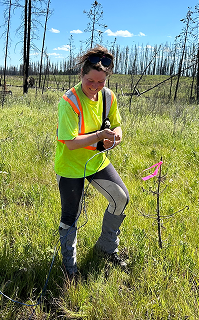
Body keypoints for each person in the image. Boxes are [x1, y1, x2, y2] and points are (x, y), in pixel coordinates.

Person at [55, 45, 129, 280]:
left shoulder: (109, 97)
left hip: (96, 161)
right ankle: (70, 267)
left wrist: (116, 136)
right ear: (81, 74)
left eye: (101, 81)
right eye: (90, 81)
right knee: (71, 216)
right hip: (70, 166)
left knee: (120, 198)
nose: (95, 86)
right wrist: (99, 136)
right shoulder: (69, 101)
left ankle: (106, 249)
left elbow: (117, 125)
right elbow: (71, 142)